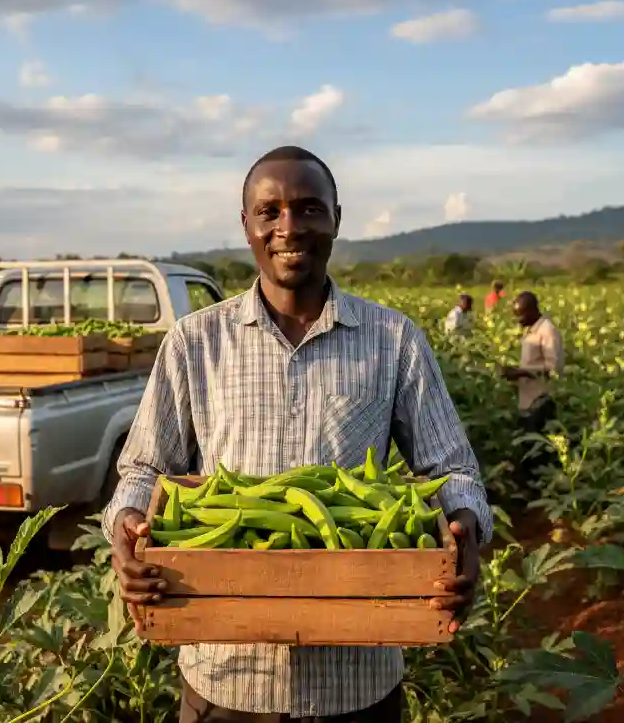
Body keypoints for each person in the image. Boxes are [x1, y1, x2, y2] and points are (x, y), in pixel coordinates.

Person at [105, 145, 493, 722]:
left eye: (309, 209)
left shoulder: (394, 340)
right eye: (270, 212)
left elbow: (452, 470)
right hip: (226, 677)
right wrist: (127, 531)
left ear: (336, 217)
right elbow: (143, 469)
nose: (289, 227)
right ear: (247, 225)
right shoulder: (194, 342)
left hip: (356, 681)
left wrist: (463, 530)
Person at [501, 292, 564, 478]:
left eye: (520, 315)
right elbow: (533, 364)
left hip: (541, 399)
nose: (517, 320)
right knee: (529, 443)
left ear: (533, 310)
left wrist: (520, 372)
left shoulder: (548, 331)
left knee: (539, 446)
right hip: (527, 398)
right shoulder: (531, 329)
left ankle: (541, 485)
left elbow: (554, 368)